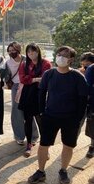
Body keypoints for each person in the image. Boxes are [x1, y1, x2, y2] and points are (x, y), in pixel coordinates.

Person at [28, 46, 88, 184]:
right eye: (59, 54)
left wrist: (78, 119)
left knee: (68, 145)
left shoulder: (77, 77)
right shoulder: (49, 74)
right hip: (50, 116)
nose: (60, 57)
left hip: (70, 118)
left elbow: (83, 99)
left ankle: (63, 170)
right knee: (44, 145)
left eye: (64, 55)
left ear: (71, 59)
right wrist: (42, 112)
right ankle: (41, 171)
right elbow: (41, 94)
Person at [18, 43, 52, 157]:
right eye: (28, 52)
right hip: (27, 94)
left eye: (33, 51)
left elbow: (46, 79)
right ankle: (29, 144)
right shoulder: (24, 64)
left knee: (41, 121)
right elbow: (22, 79)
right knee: (27, 121)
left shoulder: (45, 63)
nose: (31, 54)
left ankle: (45, 147)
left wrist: (31, 79)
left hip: (39, 94)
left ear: (38, 52)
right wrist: (36, 79)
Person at [5, 42, 39, 145]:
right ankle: (19, 136)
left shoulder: (26, 60)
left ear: (19, 50)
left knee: (29, 111)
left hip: (28, 86)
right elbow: (6, 75)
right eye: (9, 51)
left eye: (13, 50)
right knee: (16, 111)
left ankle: (34, 136)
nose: (11, 52)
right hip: (16, 87)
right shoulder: (7, 63)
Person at [84, 54, 94, 158]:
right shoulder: (91, 69)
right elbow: (86, 87)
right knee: (93, 127)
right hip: (93, 104)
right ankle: (92, 146)